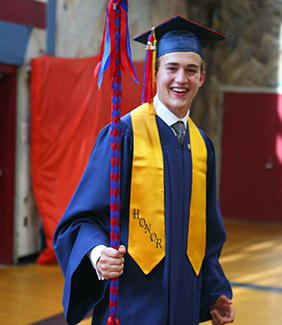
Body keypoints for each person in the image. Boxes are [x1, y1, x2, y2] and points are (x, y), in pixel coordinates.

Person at [53, 14, 235, 325]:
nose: (181, 79)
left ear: (202, 78)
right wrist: (97, 253)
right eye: (172, 68)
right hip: (133, 301)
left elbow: (207, 236)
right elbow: (81, 219)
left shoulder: (202, 146)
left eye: (191, 70)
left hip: (184, 305)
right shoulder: (124, 134)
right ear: (154, 73)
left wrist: (213, 292)